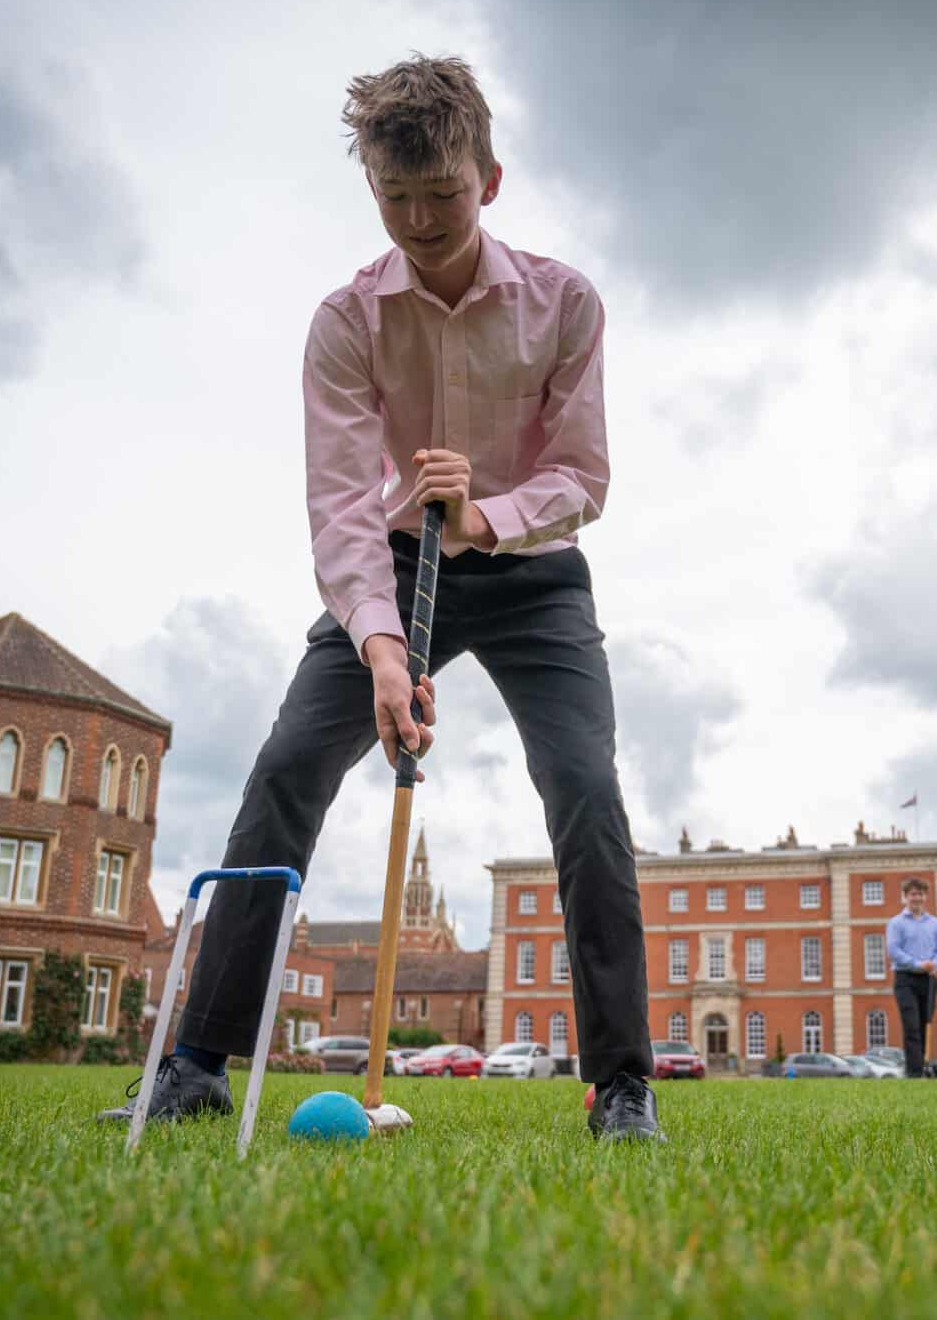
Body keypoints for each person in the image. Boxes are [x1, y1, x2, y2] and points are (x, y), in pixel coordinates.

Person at [98, 55, 660, 1141]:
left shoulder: (565, 302)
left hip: (533, 572)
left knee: (586, 787)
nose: (417, 219)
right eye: (393, 198)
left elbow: (583, 478)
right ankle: (199, 1064)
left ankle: (622, 1084)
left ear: (488, 179)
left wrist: (486, 512)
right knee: (288, 768)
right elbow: (343, 504)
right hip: (397, 570)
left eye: (440, 196)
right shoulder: (346, 320)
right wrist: (383, 648)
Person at [886, 877, 937, 1078]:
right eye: (913, 894)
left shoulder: (935, 923)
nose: (917, 898)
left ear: (925, 897)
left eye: (920, 894)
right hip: (906, 979)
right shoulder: (896, 923)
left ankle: (922, 1067)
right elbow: (894, 950)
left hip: (929, 979)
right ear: (905, 897)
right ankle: (914, 1072)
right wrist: (917, 964)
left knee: (924, 1024)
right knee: (911, 1025)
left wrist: (935, 964)